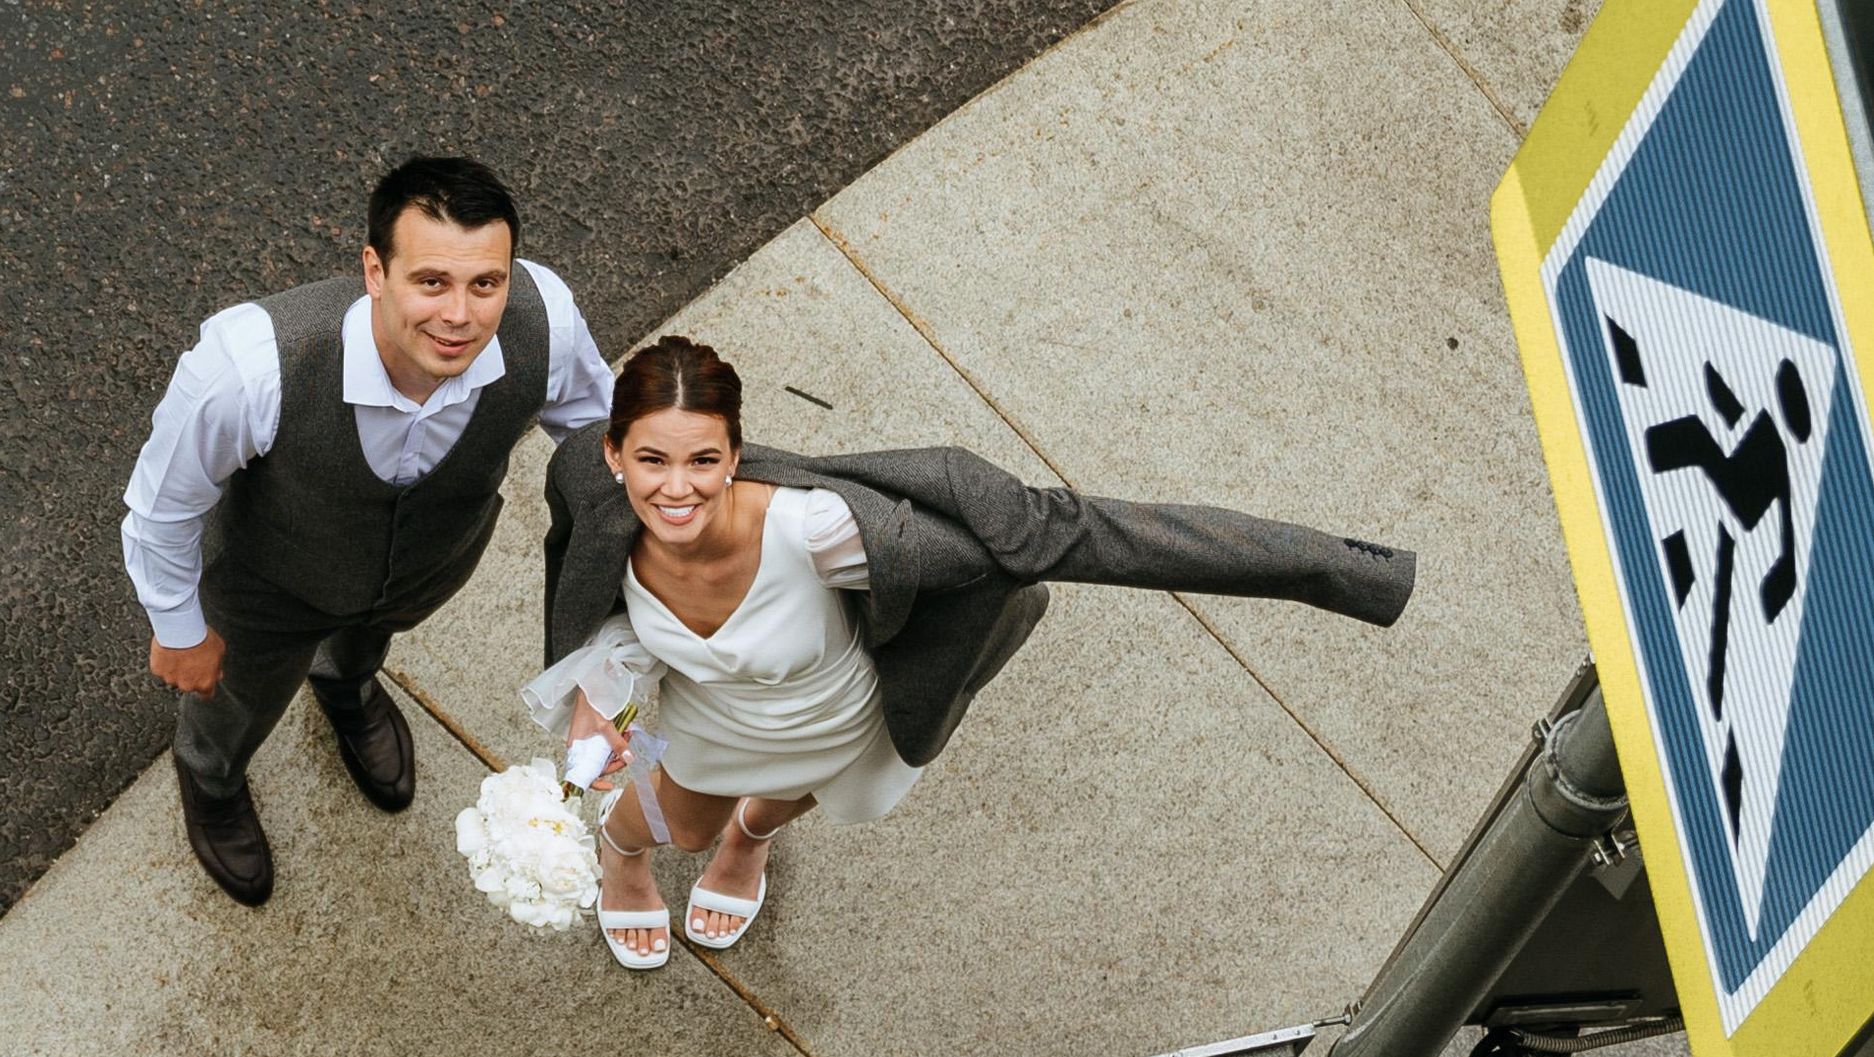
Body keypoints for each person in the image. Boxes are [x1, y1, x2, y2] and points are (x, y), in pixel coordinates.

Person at [538, 334, 1417, 969]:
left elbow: (1079, 536)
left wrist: (1333, 571)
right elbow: (610, 618)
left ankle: (751, 845)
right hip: (713, 723)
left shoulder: (819, 531)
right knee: (671, 818)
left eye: (704, 460)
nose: (678, 488)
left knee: (785, 800)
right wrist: (597, 701)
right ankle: (627, 859)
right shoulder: (597, 494)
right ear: (615, 453)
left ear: (738, 456)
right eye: (653, 459)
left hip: (837, 713)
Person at [122, 154, 613, 906]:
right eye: (431, 282)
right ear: (375, 271)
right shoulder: (251, 365)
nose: (460, 315)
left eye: (486, 284)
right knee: (236, 698)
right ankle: (212, 776)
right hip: (271, 584)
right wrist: (179, 626)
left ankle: (345, 685)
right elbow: (164, 506)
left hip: (430, 562)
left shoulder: (546, 320)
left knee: (369, 637)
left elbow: (602, 449)